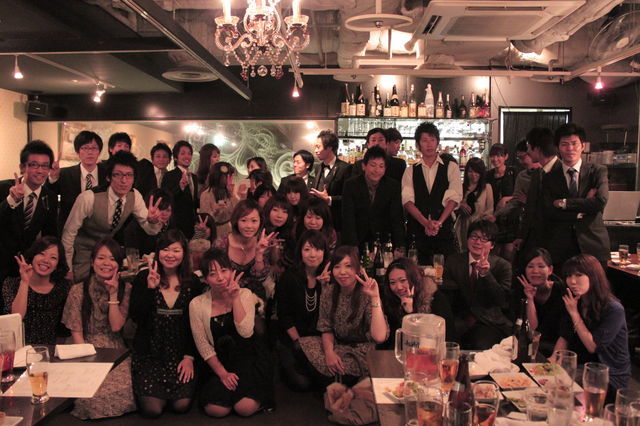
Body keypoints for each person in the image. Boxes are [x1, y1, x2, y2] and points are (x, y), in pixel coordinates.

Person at [189, 248, 273, 418]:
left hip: (248, 359)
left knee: (244, 409)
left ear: (231, 271)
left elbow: (245, 332)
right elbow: (203, 345)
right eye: (212, 274)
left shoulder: (245, 294)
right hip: (219, 362)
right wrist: (222, 374)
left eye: (224, 270)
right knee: (216, 410)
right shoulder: (197, 304)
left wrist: (235, 298)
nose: (220, 277)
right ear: (205, 278)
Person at [61, 238, 136, 419]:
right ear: (92, 261)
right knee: (89, 395)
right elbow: (77, 333)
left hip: (114, 348)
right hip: (84, 347)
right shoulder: (78, 290)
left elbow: (116, 326)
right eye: (101, 258)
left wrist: (113, 295)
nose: (106, 263)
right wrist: (87, 363)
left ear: (119, 264)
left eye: (112, 259)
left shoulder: (126, 289)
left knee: (124, 390)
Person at [62, 151, 163, 282]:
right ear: (108, 177)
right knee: (81, 284)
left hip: (108, 252)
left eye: (129, 175)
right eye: (118, 175)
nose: (124, 180)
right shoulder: (88, 198)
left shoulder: (134, 196)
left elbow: (150, 230)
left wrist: (153, 222)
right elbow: (68, 234)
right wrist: (67, 268)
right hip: (83, 251)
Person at [130, 230, 200, 418]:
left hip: (180, 353)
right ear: (158, 252)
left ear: (184, 253)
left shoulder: (192, 282)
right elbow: (136, 317)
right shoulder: (143, 277)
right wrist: (150, 289)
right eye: (165, 249)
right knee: (152, 410)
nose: (170, 255)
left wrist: (189, 357)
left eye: (176, 250)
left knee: (181, 406)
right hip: (150, 353)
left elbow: (196, 325)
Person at [298, 246, 388, 384]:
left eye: (348, 266)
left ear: (358, 269)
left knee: (333, 373)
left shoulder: (367, 293)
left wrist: (375, 298)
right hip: (337, 344)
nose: (342, 272)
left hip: (360, 351)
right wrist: (329, 353)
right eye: (337, 266)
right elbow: (326, 328)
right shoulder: (330, 291)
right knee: (299, 346)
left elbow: (379, 337)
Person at [553, 254, 631, 390]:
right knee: (546, 381)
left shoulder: (613, 309)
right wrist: (553, 360)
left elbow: (593, 346)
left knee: (560, 388)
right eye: (569, 276)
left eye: (579, 275)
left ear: (593, 277)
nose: (572, 281)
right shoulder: (575, 301)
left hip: (608, 374)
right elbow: (564, 336)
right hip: (581, 365)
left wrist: (574, 314)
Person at [542, 123, 610, 269]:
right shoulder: (549, 177)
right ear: (558, 148)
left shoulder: (597, 172)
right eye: (564, 144)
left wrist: (565, 203)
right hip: (561, 246)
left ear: (583, 146)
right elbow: (549, 211)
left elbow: (600, 201)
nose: (570, 148)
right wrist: (582, 208)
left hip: (593, 244)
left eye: (574, 143)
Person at [442, 220, 512, 350]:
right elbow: (446, 292)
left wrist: (486, 275)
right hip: (459, 318)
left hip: (488, 322)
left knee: (481, 345)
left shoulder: (503, 266)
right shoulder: (453, 261)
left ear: (492, 245)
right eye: (474, 236)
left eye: (484, 239)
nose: (478, 242)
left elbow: (502, 300)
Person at [402, 122, 462, 264]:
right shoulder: (410, 170)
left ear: (437, 142)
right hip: (417, 233)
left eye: (432, 140)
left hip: (443, 232)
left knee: (444, 271)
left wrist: (438, 223)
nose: (429, 144)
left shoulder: (451, 167)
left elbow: (454, 197)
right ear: (418, 145)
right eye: (424, 140)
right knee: (417, 271)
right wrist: (425, 223)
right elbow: (407, 201)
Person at [275, 230, 329, 391]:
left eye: (318, 249)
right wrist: (298, 342)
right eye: (307, 249)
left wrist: (326, 288)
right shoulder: (289, 277)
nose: (313, 254)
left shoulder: (329, 278)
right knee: (302, 384)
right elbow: (284, 315)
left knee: (324, 378)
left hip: (318, 338)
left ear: (325, 252)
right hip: (292, 338)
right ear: (300, 252)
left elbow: (329, 316)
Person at [0, 140, 59, 285]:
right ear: (22, 167)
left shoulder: (50, 197)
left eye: (45, 166)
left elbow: (50, 234)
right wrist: (11, 200)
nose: (40, 171)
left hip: (26, 266)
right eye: (34, 165)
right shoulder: (3, 188)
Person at [3, 236, 69, 345]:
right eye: (41, 254)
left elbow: (63, 331)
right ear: (32, 256)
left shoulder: (63, 288)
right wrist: (25, 282)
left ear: (57, 265)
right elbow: (16, 318)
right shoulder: (11, 283)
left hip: (48, 350)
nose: (46, 260)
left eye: (53, 257)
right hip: (17, 348)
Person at [380, 257, 456, 347]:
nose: (398, 287)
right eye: (393, 283)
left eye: (403, 280)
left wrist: (410, 313)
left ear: (413, 279)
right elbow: (392, 342)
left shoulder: (434, 298)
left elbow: (446, 337)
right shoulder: (388, 299)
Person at [341, 146, 405, 250]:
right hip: (358, 240)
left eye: (381, 166)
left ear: (385, 169)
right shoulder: (351, 185)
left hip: (384, 241)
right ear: (364, 166)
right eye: (373, 165)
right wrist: (352, 246)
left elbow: (397, 218)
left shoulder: (392, 186)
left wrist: (399, 246)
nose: (377, 170)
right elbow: (348, 218)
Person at [214, 199, 274, 302]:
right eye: (243, 220)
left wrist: (259, 254)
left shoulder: (262, 242)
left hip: (254, 295)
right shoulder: (221, 244)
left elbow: (260, 278)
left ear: (260, 222)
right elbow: (215, 275)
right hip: (226, 292)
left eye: (254, 221)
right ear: (236, 221)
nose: (249, 226)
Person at [514, 127, 560, 261]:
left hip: (554, 240)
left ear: (537, 149)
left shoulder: (561, 172)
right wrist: (522, 236)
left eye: (529, 146)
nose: (528, 151)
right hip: (534, 239)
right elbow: (531, 209)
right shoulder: (538, 173)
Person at [48, 131, 106, 231]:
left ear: (99, 151)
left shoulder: (107, 174)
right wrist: (53, 177)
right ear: (77, 151)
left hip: (99, 230)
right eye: (85, 148)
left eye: (94, 148)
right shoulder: (65, 174)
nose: (90, 152)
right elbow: (50, 196)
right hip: (70, 229)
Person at [494, 139, 540, 262]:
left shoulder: (547, 173)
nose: (521, 161)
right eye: (519, 158)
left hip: (541, 226)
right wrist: (496, 215)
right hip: (522, 224)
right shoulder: (522, 176)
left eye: (523, 157)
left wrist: (528, 201)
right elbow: (515, 201)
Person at [514, 248, 565, 357]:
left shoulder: (562, 290)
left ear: (550, 269)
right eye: (530, 266)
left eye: (541, 266)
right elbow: (532, 331)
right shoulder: (521, 291)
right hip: (533, 344)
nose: (535, 271)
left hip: (557, 346)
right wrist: (530, 299)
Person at [311, 130, 351, 232]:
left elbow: (349, 198)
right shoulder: (318, 167)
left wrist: (329, 199)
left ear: (329, 148)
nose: (315, 150)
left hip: (336, 222)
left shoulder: (345, 168)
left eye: (318, 147)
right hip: (317, 221)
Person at [454, 157, 493, 251]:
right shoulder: (461, 188)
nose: (473, 175)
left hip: (479, 229)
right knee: (462, 253)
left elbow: (489, 210)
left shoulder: (486, 188)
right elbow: (452, 206)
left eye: (477, 172)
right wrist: (459, 205)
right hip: (462, 228)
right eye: (470, 171)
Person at [162, 140, 199, 239]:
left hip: (191, 224)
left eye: (189, 153)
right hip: (176, 224)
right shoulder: (169, 175)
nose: (187, 156)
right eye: (183, 153)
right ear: (175, 157)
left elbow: (193, 201)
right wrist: (180, 187)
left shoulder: (194, 177)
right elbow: (166, 199)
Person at [487, 143, 518, 260]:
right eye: (493, 156)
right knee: (493, 256)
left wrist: (506, 198)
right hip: (494, 220)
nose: (495, 159)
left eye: (499, 155)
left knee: (509, 255)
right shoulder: (488, 175)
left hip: (511, 220)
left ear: (506, 156)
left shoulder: (513, 172)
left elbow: (521, 194)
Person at [126, 188, 174, 256]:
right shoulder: (135, 227)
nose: (164, 213)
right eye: (160, 209)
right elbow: (131, 255)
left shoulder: (172, 227)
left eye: (168, 210)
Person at [199, 162, 238, 243]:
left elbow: (238, 211)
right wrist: (215, 211)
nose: (231, 179)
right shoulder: (206, 195)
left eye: (231, 176)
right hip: (215, 232)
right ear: (218, 176)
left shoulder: (229, 191)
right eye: (228, 176)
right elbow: (205, 220)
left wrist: (232, 194)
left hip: (230, 230)